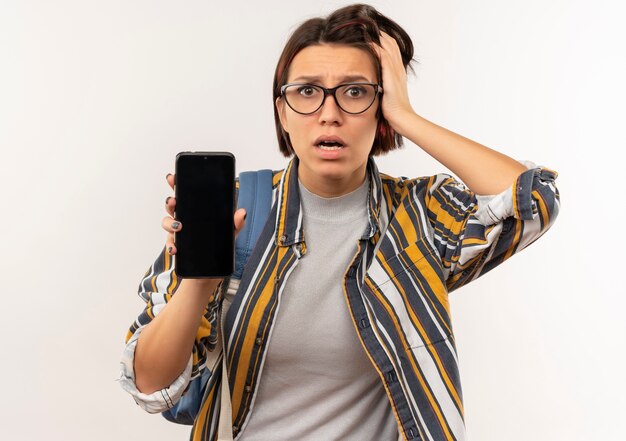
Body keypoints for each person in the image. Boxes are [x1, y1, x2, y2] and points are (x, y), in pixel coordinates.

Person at [118, 3, 560, 440]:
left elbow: (533, 199)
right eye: (307, 92)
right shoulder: (232, 212)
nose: (330, 113)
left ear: (380, 109)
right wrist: (200, 283)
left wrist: (407, 117)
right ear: (282, 112)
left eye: (355, 92)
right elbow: (149, 385)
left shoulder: (419, 216)